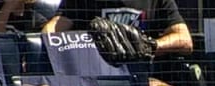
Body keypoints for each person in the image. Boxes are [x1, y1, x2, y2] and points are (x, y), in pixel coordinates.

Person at [41, 0, 193, 56]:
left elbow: (184, 39)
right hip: (96, 75)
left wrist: (150, 46)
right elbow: (51, 30)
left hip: (143, 77)